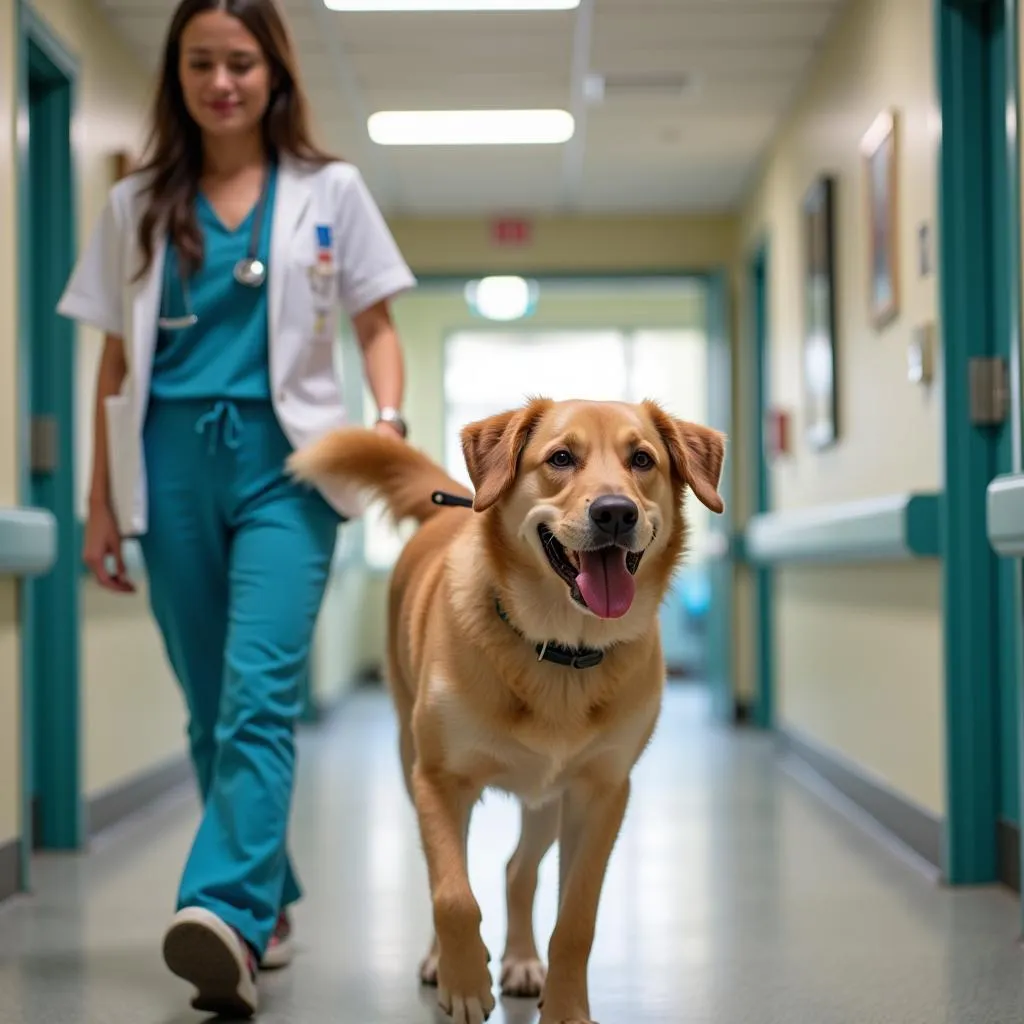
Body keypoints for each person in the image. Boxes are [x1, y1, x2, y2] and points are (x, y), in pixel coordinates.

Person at [56, 0, 415, 1016]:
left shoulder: (329, 191)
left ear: (275, 73)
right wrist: (97, 502)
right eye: (202, 63)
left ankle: (225, 914)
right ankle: (273, 888)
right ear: (177, 75)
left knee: (258, 691)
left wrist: (387, 415)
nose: (222, 82)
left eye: (242, 63)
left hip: (289, 466)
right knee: (209, 703)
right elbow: (116, 365)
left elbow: (377, 324)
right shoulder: (135, 204)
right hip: (166, 462)